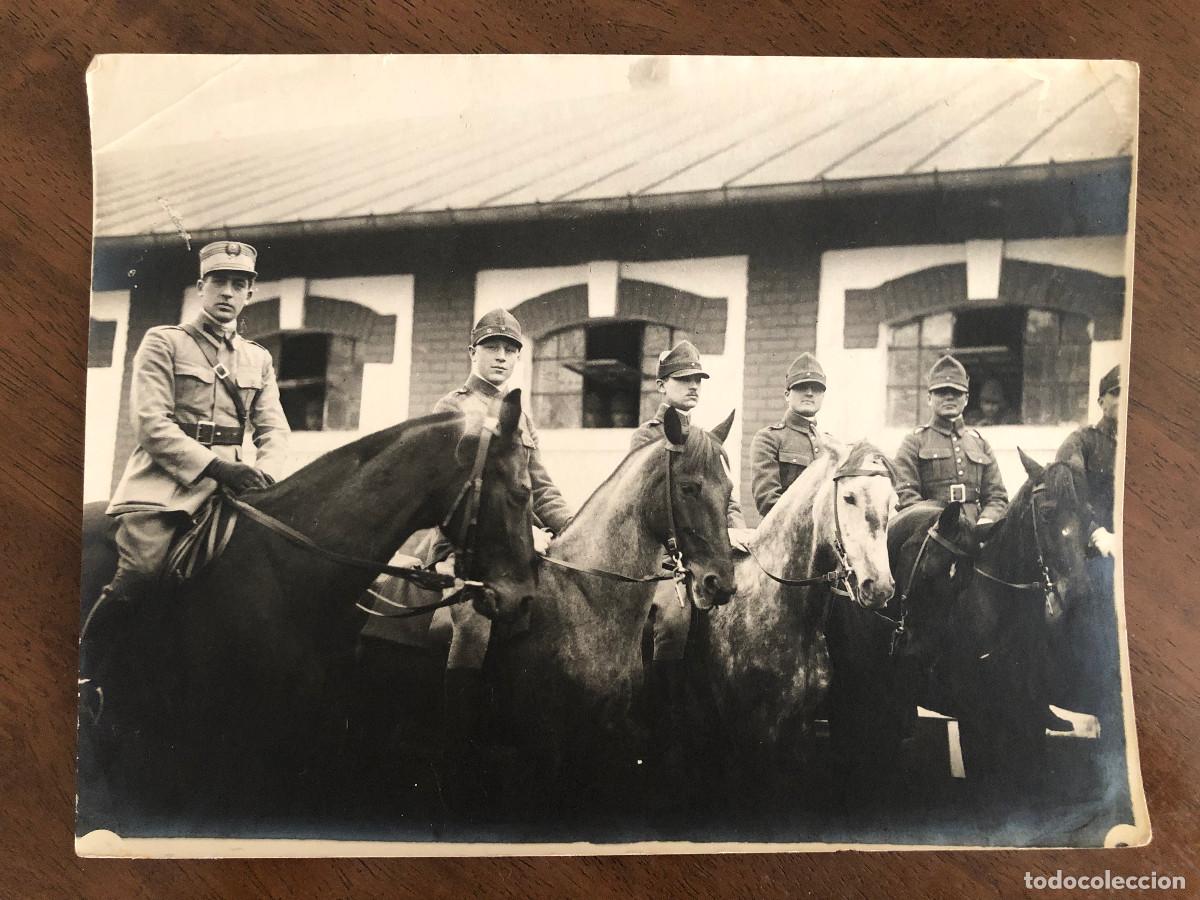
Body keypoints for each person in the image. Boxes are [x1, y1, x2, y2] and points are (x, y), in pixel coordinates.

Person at [82, 241, 290, 676]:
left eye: (239, 284)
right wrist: (214, 466)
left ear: (250, 293)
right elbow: (151, 423)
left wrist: (265, 473)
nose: (228, 293)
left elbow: (274, 430)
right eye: (218, 282)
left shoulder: (258, 358)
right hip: (164, 484)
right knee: (141, 570)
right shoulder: (164, 342)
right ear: (201, 287)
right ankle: (86, 668)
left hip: (235, 488)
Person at [1053, 365, 1123, 730]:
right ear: (1101, 400)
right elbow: (1067, 494)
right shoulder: (1081, 442)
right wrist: (1098, 533)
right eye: (1118, 392)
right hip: (1093, 555)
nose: (1126, 401)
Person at [893, 354, 1008, 535]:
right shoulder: (914, 442)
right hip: (931, 535)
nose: (949, 397)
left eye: (956, 393)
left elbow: (997, 495)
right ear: (929, 398)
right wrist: (934, 524)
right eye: (941, 392)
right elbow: (906, 493)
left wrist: (986, 520)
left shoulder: (980, 444)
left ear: (967, 398)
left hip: (974, 531)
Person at [750, 352, 838, 519]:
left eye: (816, 388)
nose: (810, 393)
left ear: (823, 396)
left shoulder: (830, 444)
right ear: (787, 395)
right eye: (801, 386)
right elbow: (768, 501)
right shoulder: (769, 439)